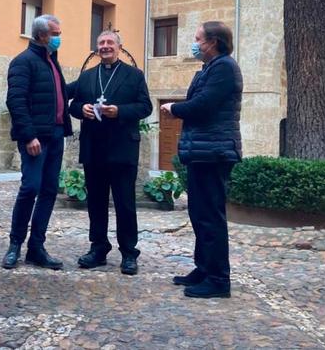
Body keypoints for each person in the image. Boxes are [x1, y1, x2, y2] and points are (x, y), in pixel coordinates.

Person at [161, 21, 243, 299]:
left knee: (210, 217)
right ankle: (204, 268)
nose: (194, 44)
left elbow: (203, 105)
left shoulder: (224, 68)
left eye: (198, 39)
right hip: (202, 152)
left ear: (213, 42)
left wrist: (174, 108)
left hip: (214, 152)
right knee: (199, 214)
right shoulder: (208, 69)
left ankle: (219, 279)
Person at [69, 30, 152, 275]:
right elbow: (71, 102)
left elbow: (145, 106)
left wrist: (120, 111)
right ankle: (98, 248)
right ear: (96, 48)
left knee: (125, 203)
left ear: (119, 47)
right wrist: (79, 108)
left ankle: (128, 252)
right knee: (95, 202)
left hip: (122, 148)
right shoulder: (86, 76)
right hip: (93, 148)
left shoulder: (134, 75)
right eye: (101, 43)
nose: (105, 46)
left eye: (109, 43)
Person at [1, 15, 73, 270]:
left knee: (50, 190)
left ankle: (36, 247)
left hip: (55, 135)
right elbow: (16, 101)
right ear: (42, 35)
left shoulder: (52, 62)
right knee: (30, 188)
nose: (59, 37)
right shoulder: (23, 62)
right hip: (35, 138)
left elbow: (56, 94)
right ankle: (15, 244)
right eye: (56, 33)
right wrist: (29, 135)